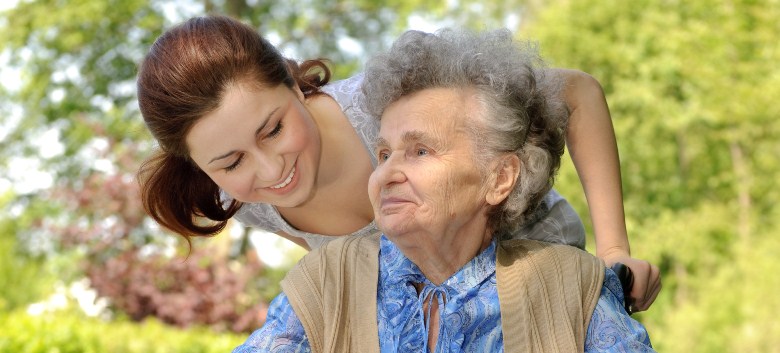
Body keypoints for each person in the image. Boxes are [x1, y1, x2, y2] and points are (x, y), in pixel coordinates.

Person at [136, 15, 660, 312]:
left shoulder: (388, 102)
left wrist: (616, 251)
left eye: (273, 128)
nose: (272, 170)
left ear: (296, 85)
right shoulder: (252, 205)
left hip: (540, 276)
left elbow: (578, 94)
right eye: (230, 162)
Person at [232, 28, 655, 352]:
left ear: (500, 178)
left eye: (419, 150)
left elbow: (578, 91)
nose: (386, 174)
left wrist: (615, 251)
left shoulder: (575, 286)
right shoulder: (325, 283)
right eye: (382, 155)